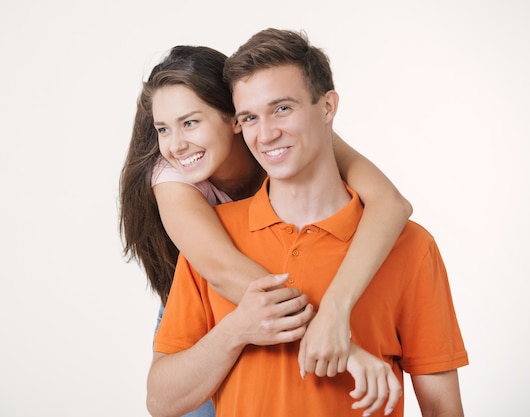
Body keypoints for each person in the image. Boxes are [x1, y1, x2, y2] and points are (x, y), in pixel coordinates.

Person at [146, 28, 468, 417]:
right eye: (252, 117)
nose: (266, 133)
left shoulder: (409, 247)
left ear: (328, 107)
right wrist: (240, 330)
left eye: (282, 108)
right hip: (219, 286)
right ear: (240, 122)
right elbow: (162, 400)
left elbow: (391, 202)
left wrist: (336, 310)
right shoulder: (192, 204)